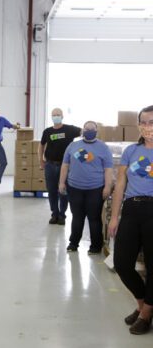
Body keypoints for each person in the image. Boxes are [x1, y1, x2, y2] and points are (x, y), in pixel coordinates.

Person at [108, 105, 153, 335]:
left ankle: (145, 315)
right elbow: (121, 185)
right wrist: (115, 216)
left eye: (152, 122)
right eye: (144, 122)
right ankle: (142, 304)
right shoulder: (131, 152)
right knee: (122, 263)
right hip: (132, 208)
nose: (148, 127)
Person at [59, 121, 113, 254]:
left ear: (96, 131)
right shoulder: (73, 145)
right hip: (75, 188)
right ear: (83, 130)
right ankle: (73, 243)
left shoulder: (103, 148)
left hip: (95, 189)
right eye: (87, 128)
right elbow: (65, 165)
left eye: (92, 129)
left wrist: (107, 186)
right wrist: (61, 182)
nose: (89, 131)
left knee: (94, 218)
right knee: (77, 217)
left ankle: (95, 246)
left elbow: (108, 169)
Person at [40, 108, 81, 225]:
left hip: (65, 166)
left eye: (58, 115)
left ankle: (62, 215)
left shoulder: (70, 129)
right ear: (51, 117)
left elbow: (84, 132)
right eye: (54, 115)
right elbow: (41, 145)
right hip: (50, 165)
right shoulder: (47, 131)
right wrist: (40, 160)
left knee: (63, 190)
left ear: (62, 116)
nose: (56, 117)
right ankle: (54, 214)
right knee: (51, 190)